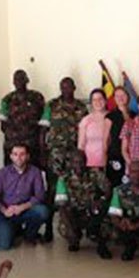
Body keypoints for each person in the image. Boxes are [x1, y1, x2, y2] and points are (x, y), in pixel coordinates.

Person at [40, 77, 89, 243]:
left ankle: (72, 226)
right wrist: (43, 153)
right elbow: (43, 130)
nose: (65, 89)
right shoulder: (51, 105)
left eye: (68, 86)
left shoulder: (82, 107)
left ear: (74, 87)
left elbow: (87, 130)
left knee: (74, 189)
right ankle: (48, 227)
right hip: (56, 155)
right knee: (53, 190)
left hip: (76, 156)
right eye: (62, 87)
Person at [0, 144, 49, 250]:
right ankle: (14, 230)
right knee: (4, 246)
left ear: (27, 156)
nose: (19, 158)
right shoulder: (2, 173)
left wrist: (22, 207)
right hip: (6, 212)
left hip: (25, 210)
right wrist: (3, 210)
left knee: (43, 211)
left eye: (22, 154)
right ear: (11, 156)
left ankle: (29, 235)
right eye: (15, 154)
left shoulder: (35, 172)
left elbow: (40, 195)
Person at [55, 150, 111, 255]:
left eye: (81, 162)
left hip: (92, 211)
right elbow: (61, 206)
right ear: (70, 163)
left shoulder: (95, 173)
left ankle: (101, 244)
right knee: (64, 227)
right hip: (74, 213)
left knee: (106, 224)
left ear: (86, 162)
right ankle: (75, 240)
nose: (79, 165)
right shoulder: (63, 179)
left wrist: (102, 199)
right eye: (75, 162)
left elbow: (108, 189)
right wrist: (70, 228)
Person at [104, 161, 139, 262]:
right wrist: (120, 223)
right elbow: (114, 212)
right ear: (128, 174)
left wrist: (137, 225)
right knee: (106, 224)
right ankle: (128, 247)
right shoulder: (119, 190)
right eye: (133, 172)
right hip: (128, 222)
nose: (136, 175)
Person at [0, 70, 45, 167]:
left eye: (21, 79)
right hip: (13, 148)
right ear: (13, 82)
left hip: (32, 146)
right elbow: (3, 126)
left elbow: (43, 124)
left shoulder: (37, 97)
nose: (19, 82)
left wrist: (42, 147)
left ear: (27, 80)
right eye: (16, 80)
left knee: (33, 175)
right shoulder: (7, 100)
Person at [106, 86, 136, 186]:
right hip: (115, 155)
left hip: (132, 155)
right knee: (116, 183)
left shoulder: (135, 115)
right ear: (114, 98)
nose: (120, 98)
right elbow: (106, 139)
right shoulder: (110, 116)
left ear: (128, 97)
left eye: (123, 95)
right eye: (117, 96)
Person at [78, 88, 112, 169]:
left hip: (110, 163)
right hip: (90, 163)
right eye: (94, 100)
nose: (98, 102)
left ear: (106, 100)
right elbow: (81, 145)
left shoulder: (113, 117)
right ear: (91, 103)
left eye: (100, 99)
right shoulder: (86, 120)